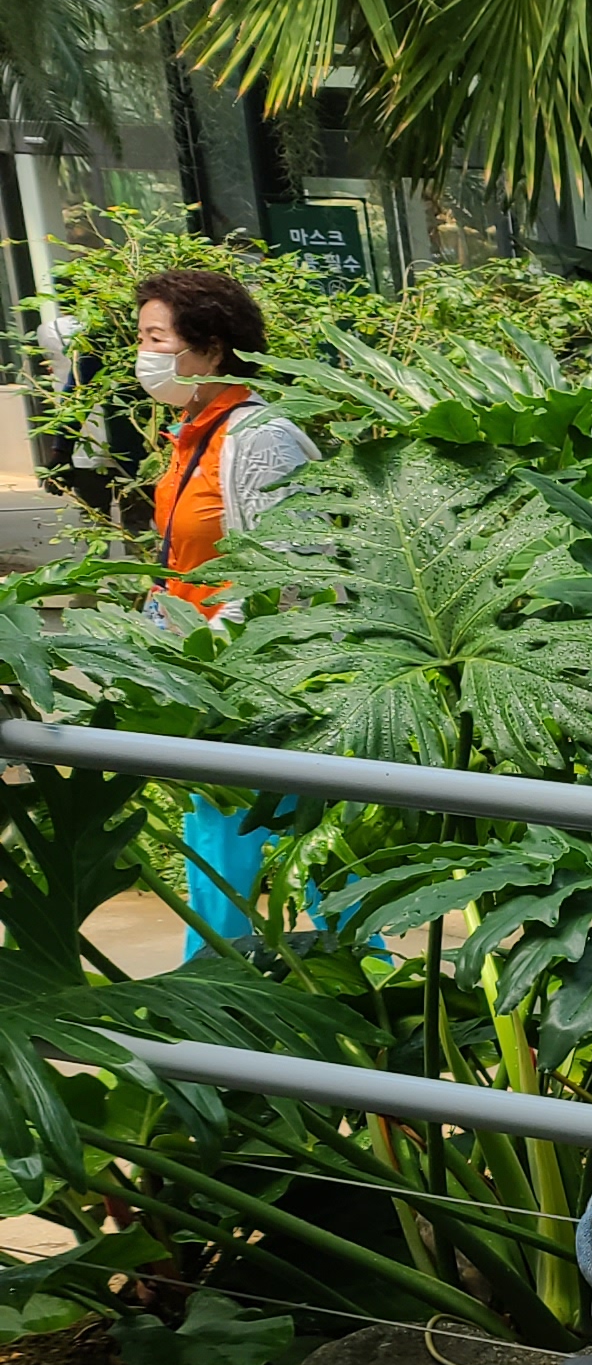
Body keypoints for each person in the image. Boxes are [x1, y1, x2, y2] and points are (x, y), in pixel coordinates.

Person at [133, 267, 318, 950]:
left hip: (257, 679)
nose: (144, 354)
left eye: (156, 338)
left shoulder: (257, 438)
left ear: (209, 347)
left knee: (303, 844)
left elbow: (289, 571)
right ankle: (223, 991)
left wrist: (215, 653)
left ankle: (374, 991)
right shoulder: (195, 432)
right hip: (205, 678)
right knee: (227, 839)